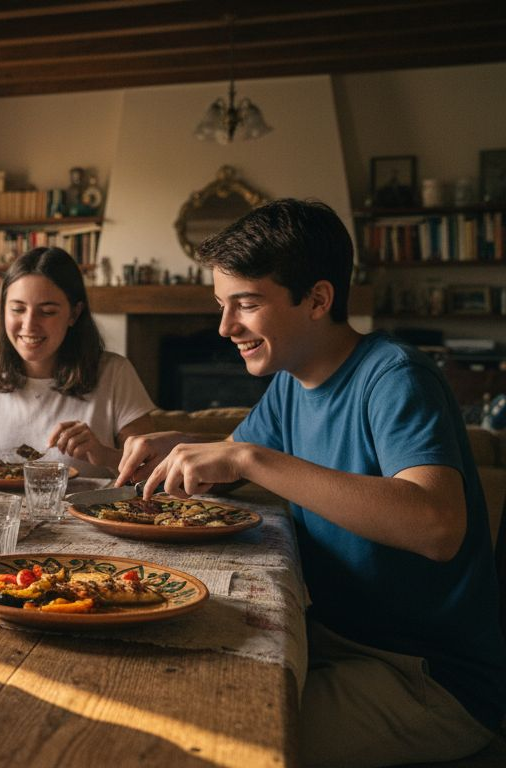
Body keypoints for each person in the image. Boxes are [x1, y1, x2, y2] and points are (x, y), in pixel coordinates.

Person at [116, 199, 506, 766]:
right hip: (327, 638)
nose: (225, 328)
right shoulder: (291, 383)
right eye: (222, 306)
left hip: (425, 678)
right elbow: (228, 467)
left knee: (208, 741)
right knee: (150, 681)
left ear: (318, 299)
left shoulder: (396, 375)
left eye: (246, 305)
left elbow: (436, 524)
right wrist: (179, 449)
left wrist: (250, 460)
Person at [0, 247, 155, 475]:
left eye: (47, 312)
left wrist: (104, 455)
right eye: (17, 309)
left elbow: (153, 466)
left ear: (74, 313)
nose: (29, 325)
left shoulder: (114, 373)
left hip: (86, 520)